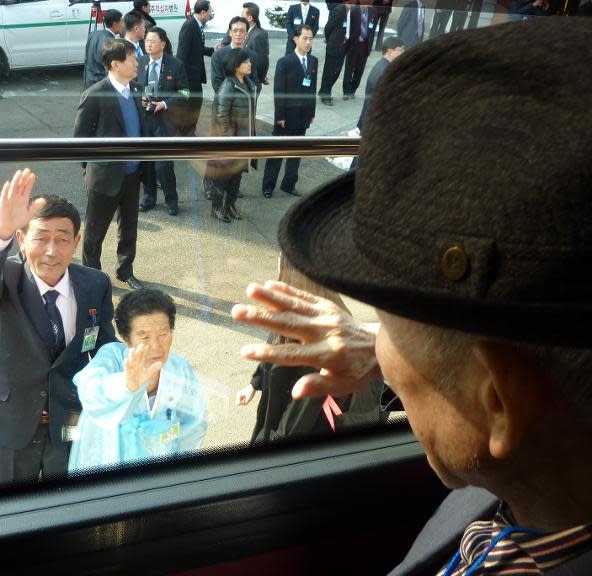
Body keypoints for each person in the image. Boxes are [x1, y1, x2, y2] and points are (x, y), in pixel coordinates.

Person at [233, 18, 592, 575]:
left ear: (496, 401)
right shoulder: (539, 488)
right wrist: (396, 348)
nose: (378, 348)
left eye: (388, 320)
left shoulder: (487, 497)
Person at [0, 168, 116, 484]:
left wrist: (132, 368)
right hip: (12, 422)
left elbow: (103, 344)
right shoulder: (6, 279)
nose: (51, 251)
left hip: (69, 417)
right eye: (41, 237)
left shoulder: (95, 284)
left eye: (62, 239)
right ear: (21, 239)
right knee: (14, 510)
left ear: (77, 242)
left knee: (66, 501)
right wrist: (0, 229)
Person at [235, 255, 388, 443]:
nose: (278, 259)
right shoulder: (302, 315)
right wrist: (254, 384)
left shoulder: (316, 344)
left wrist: (262, 447)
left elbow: (294, 426)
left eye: (282, 258)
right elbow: (273, 347)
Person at [68, 289, 206, 471]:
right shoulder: (113, 357)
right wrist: (126, 384)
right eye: (145, 336)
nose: (156, 346)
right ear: (126, 339)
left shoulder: (179, 368)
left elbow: (193, 425)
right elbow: (89, 387)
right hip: (107, 463)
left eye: (163, 333)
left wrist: (178, 467)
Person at [73, 39, 148, 291]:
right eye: (132, 59)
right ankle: (91, 277)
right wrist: (93, 170)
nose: (137, 62)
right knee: (95, 232)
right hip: (105, 178)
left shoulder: (137, 89)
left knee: (129, 226)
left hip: (133, 174)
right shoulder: (95, 94)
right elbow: (79, 141)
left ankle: (125, 270)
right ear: (115, 64)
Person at [137, 27, 189, 216]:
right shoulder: (140, 62)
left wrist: (165, 103)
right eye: (146, 40)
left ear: (163, 44)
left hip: (165, 120)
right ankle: (149, 197)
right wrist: (139, 99)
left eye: (152, 41)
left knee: (164, 165)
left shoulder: (175, 65)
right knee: (147, 164)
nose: (148, 44)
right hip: (144, 120)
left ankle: (171, 200)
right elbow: (133, 88)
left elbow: (185, 92)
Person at [262, 26, 317, 199]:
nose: (308, 42)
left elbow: (312, 88)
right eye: (305, 38)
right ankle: (268, 186)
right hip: (286, 117)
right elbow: (279, 92)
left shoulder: (313, 61)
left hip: (303, 117)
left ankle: (289, 184)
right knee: (277, 153)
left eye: (311, 39)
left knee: (296, 153)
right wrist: (280, 116)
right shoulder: (285, 62)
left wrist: (312, 112)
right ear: (295, 39)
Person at [206, 48, 257, 223]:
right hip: (232, 141)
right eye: (246, 62)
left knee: (237, 176)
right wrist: (229, 139)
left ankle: (230, 206)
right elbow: (222, 116)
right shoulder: (229, 85)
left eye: (249, 61)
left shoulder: (248, 83)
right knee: (223, 177)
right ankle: (217, 208)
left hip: (245, 138)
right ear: (236, 66)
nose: (250, 64)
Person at [176, 0, 214, 137]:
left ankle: (189, 132)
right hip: (188, 80)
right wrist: (182, 82)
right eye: (210, 11)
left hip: (195, 77)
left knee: (195, 105)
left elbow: (197, 48)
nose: (210, 14)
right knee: (190, 107)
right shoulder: (189, 26)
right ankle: (186, 135)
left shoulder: (197, 25)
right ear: (203, 12)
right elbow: (182, 55)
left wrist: (212, 50)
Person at [355, 36, 404, 132]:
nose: (403, 53)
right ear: (390, 51)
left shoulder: (382, 64)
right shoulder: (387, 70)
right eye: (400, 50)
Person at [211, 17, 260, 94]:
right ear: (230, 33)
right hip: (224, 102)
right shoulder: (218, 55)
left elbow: (255, 81)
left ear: (247, 34)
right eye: (235, 30)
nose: (238, 34)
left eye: (242, 31)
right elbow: (216, 83)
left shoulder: (252, 55)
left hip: (246, 102)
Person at [342, 1, 378, 99]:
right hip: (353, 45)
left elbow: (372, 29)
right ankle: (346, 91)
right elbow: (348, 27)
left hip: (365, 46)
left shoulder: (373, 11)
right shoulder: (353, 10)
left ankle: (353, 90)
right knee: (349, 69)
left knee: (359, 70)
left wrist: (370, 44)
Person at [318, 1, 350, 106]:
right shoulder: (339, 9)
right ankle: (325, 94)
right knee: (329, 71)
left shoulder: (351, 11)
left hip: (344, 47)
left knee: (337, 72)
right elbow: (328, 27)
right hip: (334, 46)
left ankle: (324, 91)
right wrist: (329, 39)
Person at [83, 9, 123, 91]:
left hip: (89, 82)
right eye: (121, 22)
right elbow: (109, 68)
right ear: (115, 24)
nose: (123, 25)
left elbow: (86, 60)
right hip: (101, 86)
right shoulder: (110, 41)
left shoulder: (93, 34)